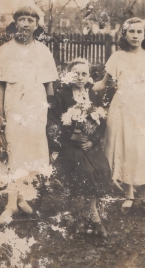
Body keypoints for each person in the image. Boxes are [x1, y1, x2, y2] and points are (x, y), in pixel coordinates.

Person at [0, 1, 58, 225]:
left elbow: (49, 87)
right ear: (15, 23)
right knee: (15, 152)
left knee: (32, 153)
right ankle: (10, 205)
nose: (26, 24)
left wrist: (51, 115)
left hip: (37, 107)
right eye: (22, 19)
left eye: (30, 20)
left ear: (37, 24)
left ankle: (21, 198)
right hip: (14, 106)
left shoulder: (43, 51)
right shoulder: (5, 50)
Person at [93, 17, 145, 217]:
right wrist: (77, 87)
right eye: (131, 31)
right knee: (125, 149)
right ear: (124, 34)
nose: (135, 35)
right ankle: (128, 196)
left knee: (143, 151)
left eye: (139, 32)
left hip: (144, 111)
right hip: (121, 110)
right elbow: (104, 83)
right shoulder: (117, 57)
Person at [49, 58, 111, 237]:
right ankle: (94, 216)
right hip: (68, 146)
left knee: (101, 167)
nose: (80, 77)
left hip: (88, 145)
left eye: (84, 74)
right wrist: (71, 136)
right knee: (85, 170)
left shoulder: (92, 95)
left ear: (89, 77)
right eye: (76, 73)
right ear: (69, 75)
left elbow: (101, 123)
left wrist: (92, 141)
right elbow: (53, 124)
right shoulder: (62, 95)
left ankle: (90, 213)